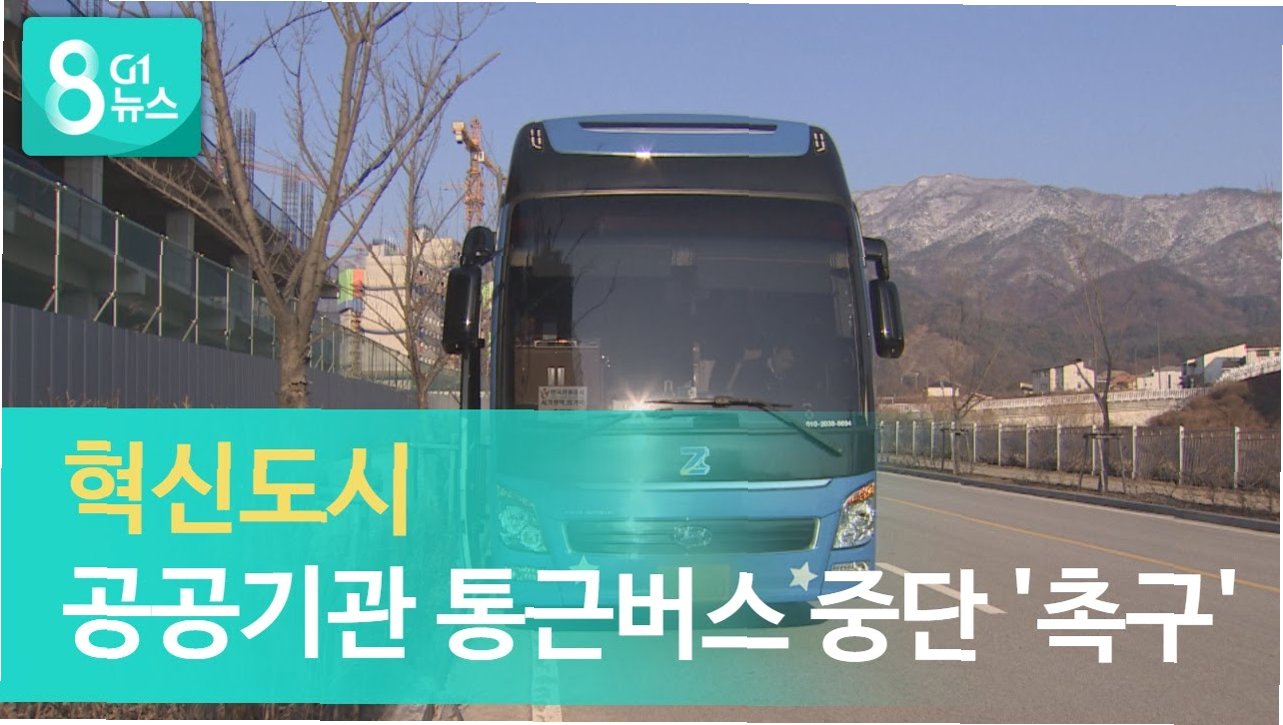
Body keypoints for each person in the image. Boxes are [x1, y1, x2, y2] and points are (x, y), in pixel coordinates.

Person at [730, 344, 802, 401]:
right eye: (783, 359)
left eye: (790, 362)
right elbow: (739, 395)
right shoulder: (751, 370)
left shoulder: (793, 379)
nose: (785, 364)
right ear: (774, 353)